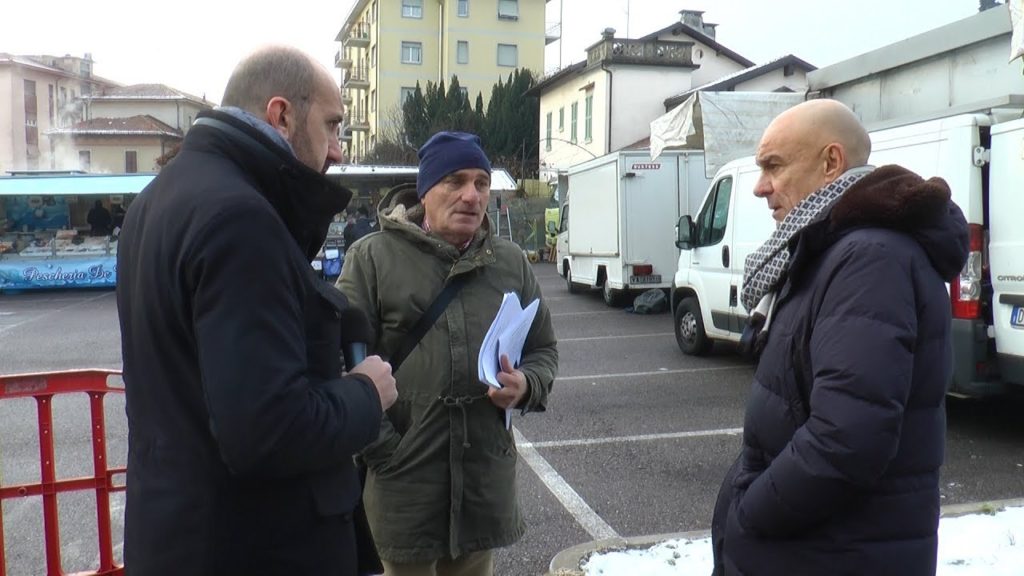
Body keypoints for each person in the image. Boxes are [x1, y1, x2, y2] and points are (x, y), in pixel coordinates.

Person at [116, 45, 397, 576]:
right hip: (255, 547)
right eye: (332, 125)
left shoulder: (158, 199)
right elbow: (268, 432)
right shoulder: (240, 218)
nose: (338, 150)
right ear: (281, 114)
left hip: (179, 537)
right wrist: (366, 392)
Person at [710, 99, 969, 576]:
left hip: (833, 553)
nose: (760, 188)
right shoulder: (832, 249)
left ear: (831, 162)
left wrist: (749, 515)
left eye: (774, 166)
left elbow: (847, 439)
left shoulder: (869, 259)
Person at [336, 131, 559, 576]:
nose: (471, 195)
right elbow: (342, 362)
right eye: (454, 181)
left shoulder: (510, 263)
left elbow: (543, 349)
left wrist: (526, 385)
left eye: (481, 183)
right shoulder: (373, 258)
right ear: (425, 190)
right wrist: (385, 449)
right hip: (404, 488)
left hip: (481, 486)